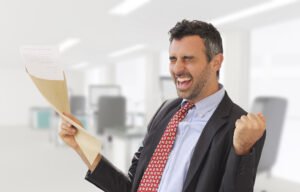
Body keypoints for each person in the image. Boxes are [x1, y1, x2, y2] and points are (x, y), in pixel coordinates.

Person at [60, 20, 266, 192]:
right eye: (173, 59)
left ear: (216, 62)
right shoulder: (167, 110)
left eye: (188, 59)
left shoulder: (239, 128)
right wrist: (82, 145)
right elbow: (132, 187)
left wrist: (241, 150)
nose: (177, 69)